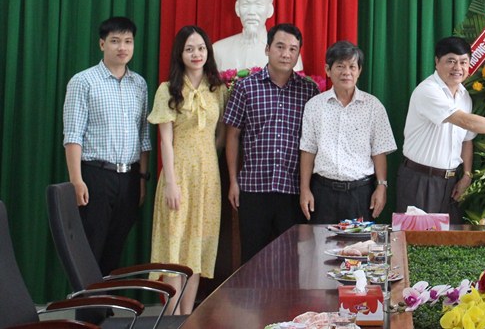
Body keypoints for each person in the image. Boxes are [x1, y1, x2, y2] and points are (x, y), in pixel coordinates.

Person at [397, 36, 485, 217]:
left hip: (451, 182)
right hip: (421, 180)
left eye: (463, 62)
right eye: (451, 61)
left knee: (450, 234)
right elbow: (465, 121)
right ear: (437, 62)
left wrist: (467, 175)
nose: (458, 68)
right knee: (417, 234)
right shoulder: (428, 90)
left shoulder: (464, 96)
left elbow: (467, 140)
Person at [62, 16, 151, 275]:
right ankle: (87, 301)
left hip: (130, 178)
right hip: (95, 176)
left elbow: (144, 136)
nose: (122, 47)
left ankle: (106, 300)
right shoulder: (83, 81)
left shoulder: (139, 84)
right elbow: (73, 135)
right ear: (102, 44)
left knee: (115, 250)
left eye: (128, 41)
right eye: (115, 41)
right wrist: (76, 181)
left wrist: (142, 180)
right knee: (90, 249)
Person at [147, 25, 227, 314]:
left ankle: (187, 317)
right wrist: (170, 182)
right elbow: (165, 141)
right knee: (175, 248)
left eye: (201, 48)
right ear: (179, 54)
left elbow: (221, 135)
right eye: (189, 49)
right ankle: (170, 318)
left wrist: (206, 156)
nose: (196, 54)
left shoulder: (218, 89)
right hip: (178, 174)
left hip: (208, 178)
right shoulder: (167, 89)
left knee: (197, 250)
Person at [224, 23, 319, 262]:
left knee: (291, 261)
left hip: (293, 190)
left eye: (293, 49)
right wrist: (233, 181)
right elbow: (232, 135)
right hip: (254, 188)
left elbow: (314, 142)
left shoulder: (309, 91)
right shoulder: (245, 87)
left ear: (298, 54)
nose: (286, 54)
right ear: (267, 49)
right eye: (280, 47)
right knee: (252, 259)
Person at [299, 41, 397, 223]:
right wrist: (304, 189)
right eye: (340, 66)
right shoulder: (314, 106)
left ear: (359, 71)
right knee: (320, 242)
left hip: (360, 194)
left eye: (352, 67)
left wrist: (382, 186)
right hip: (323, 193)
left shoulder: (373, 106)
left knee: (359, 242)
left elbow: (379, 151)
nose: (346, 72)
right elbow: (308, 150)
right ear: (328, 70)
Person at [212, 0, 304, 71]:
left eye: (258, 5)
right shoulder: (219, 50)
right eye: (245, 5)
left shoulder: (288, 53)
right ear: (237, 8)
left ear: (270, 10)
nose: (251, 12)